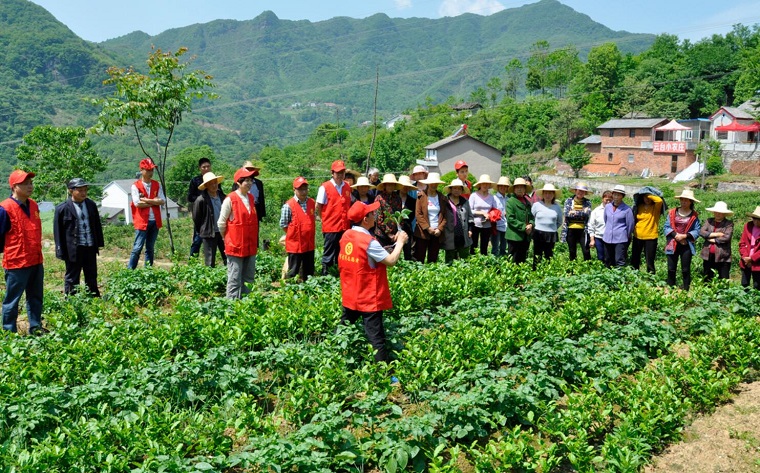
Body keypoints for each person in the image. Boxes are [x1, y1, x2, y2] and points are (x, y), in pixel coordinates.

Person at [338, 200, 408, 369]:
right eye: (371, 214)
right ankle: (383, 373)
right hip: (368, 297)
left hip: (351, 294)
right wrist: (400, 243)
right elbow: (391, 261)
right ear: (365, 219)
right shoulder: (368, 241)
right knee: (376, 338)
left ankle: (336, 356)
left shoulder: (346, 235)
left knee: (344, 327)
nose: (374, 215)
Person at [0, 170, 45, 334]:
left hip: (36, 260)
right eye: (25, 183)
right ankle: (9, 333)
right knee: (12, 301)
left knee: (35, 298)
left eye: (30, 183)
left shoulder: (33, 205)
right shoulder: (5, 208)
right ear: (14, 187)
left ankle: (35, 328)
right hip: (16, 263)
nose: (29, 186)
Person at [53, 178, 105, 296]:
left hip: (90, 246)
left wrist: (99, 243)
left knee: (91, 274)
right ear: (71, 191)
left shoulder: (91, 205)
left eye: (85, 190)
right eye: (80, 190)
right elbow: (58, 231)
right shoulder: (62, 208)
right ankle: (71, 299)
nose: (83, 193)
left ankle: (93, 297)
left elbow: (97, 225)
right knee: (72, 276)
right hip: (73, 249)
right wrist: (60, 250)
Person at [218, 168, 259, 299]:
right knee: (234, 279)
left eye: (251, 180)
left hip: (250, 245)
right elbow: (221, 223)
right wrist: (227, 238)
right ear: (238, 182)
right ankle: (232, 308)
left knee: (249, 278)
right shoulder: (230, 199)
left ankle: (246, 306)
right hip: (235, 246)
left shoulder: (251, 198)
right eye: (246, 180)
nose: (249, 183)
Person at [128, 159, 165, 269]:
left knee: (150, 248)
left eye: (152, 170)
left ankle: (148, 271)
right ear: (142, 170)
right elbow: (137, 203)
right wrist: (154, 201)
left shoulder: (156, 184)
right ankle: (130, 271)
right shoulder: (136, 186)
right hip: (142, 222)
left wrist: (146, 200)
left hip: (155, 221)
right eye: (148, 170)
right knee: (137, 248)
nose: (150, 172)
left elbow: (162, 200)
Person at [317, 160, 351, 275]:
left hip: (344, 226)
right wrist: (323, 218)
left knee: (341, 252)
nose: (340, 175)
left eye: (342, 172)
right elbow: (318, 206)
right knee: (329, 253)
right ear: (332, 173)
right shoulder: (324, 187)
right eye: (338, 172)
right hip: (330, 226)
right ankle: (325, 275)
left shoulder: (347, 186)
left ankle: (338, 274)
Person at [664, 189, 701, 290]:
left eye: (686, 200)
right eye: (682, 199)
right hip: (673, 243)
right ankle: (671, 288)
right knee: (671, 268)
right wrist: (676, 236)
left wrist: (684, 236)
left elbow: (697, 230)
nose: (683, 202)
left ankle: (686, 289)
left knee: (685, 269)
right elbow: (666, 227)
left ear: (690, 202)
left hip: (686, 244)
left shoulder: (694, 215)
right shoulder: (672, 212)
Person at [280, 177, 316, 281]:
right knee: (293, 271)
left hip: (309, 243)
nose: (303, 192)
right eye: (300, 189)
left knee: (309, 271)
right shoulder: (289, 205)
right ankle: (290, 290)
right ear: (294, 190)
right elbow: (283, 224)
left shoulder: (311, 203)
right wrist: (294, 234)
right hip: (295, 244)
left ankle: (307, 290)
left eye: (305, 189)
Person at [192, 171, 227, 268]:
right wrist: (203, 230)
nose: (214, 185)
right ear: (206, 185)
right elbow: (196, 218)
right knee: (210, 260)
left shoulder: (223, 197)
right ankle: (211, 281)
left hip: (223, 232)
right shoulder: (201, 200)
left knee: (227, 257)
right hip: (209, 233)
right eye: (211, 183)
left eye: (215, 182)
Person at [414, 172, 448, 263]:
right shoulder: (421, 196)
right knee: (420, 257)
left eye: (436, 183)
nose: (434, 185)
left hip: (436, 233)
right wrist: (428, 228)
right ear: (428, 183)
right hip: (423, 232)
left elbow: (445, 216)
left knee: (433, 259)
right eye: (432, 183)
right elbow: (418, 214)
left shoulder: (442, 198)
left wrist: (440, 229)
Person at [631, 186, 665, 274]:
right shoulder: (639, 206)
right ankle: (634, 276)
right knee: (635, 258)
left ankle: (651, 277)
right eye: (645, 197)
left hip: (651, 237)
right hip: (637, 236)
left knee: (649, 260)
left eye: (648, 197)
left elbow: (659, 200)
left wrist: (648, 194)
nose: (647, 199)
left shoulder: (655, 208)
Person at [699, 201, 734, 282]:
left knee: (723, 278)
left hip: (723, 256)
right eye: (716, 212)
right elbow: (701, 232)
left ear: (724, 213)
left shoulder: (728, 223)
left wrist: (713, 239)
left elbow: (727, 237)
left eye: (720, 212)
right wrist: (717, 234)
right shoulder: (709, 221)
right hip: (708, 255)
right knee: (707, 277)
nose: (718, 214)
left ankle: (723, 294)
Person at [531, 183, 563, 269]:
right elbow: (532, 217)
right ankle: (535, 272)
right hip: (538, 233)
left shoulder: (557, 207)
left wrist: (551, 228)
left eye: (550, 193)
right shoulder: (537, 205)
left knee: (549, 255)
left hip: (551, 234)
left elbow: (559, 221)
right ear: (543, 194)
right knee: (537, 255)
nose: (548, 195)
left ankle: (547, 272)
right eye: (546, 193)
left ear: (553, 195)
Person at [187, 157, 213, 258]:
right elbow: (190, 197)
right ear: (200, 168)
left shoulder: (214, 180)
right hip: (200, 214)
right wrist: (202, 199)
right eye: (204, 167)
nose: (206, 169)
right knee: (198, 238)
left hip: (213, 213)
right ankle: (192, 261)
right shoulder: (195, 180)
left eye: (208, 166)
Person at [602, 184, 634, 268]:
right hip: (607, 238)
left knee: (619, 260)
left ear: (622, 196)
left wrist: (625, 236)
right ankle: (608, 278)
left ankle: (619, 278)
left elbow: (630, 225)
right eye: (615, 194)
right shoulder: (608, 207)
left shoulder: (627, 209)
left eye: (618, 195)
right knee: (608, 259)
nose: (616, 196)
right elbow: (606, 220)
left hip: (620, 238)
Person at [443, 178, 473, 262]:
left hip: (463, 234)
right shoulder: (445, 201)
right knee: (450, 258)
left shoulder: (465, 202)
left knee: (465, 258)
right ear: (451, 189)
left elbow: (470, 217)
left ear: (462, 190)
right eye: (454, 188)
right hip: (449, 234)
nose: (456, 190)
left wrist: (470, 230)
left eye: (459, 188)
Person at [505, 177, 534, 264]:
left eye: (522, 187)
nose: (520, 189)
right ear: (514, 189)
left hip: (525, 236)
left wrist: (531, 225)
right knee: (513, 260)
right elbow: (510, 218)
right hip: (514, 236)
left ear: (525, 189)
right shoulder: (511, 201)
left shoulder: (527, 202)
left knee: (523, 259)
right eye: (517, 187)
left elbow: (531, 217)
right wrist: (525, 227)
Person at [561, 182, 592, 261]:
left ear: (585, 193)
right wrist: (581, 212)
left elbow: (586, 213)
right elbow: (567, 214)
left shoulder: (588, 202)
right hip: (570, 229)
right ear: (575, 191)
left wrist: (574, 212)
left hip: (583, 230)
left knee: (586, 251)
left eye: (583, 191)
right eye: (579, 190)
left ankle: (587, 269)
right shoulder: (568, 201)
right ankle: (572, 270)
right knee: (572, 251)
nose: (580, 192)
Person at [468, 174, 497, 255]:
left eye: (487, 184)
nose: (485, 185)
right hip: (475, 224)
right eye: (483, 183)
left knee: (484, 247)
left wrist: (490, 216)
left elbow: (495, 210)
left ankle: (483, 264)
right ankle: (473, 264)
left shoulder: (492, 197)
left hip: (487, 224)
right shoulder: (474, 195)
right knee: (473, 246)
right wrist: (482, 213)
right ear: (480, 184)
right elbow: (469, 210)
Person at [372, 174, 403, 248]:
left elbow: (400, 216)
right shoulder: (379, 198)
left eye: (392, 184)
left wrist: (399, 231)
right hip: (381, 235)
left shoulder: (397, 198)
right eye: (388, 184)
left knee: (393, 257)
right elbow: (378, 219)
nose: (390, 186)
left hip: (395, 235)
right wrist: (388, 233)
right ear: (385, 186)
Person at [738, 206, 760, 290]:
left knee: (757, 285)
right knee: (744, 284)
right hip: (745, 261)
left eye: (759, 219)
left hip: (758, 262)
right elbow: (742, 243)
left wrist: (752, 259)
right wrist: (745, 257)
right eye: (755, 219)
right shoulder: (748, 226)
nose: (756, 221)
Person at [588, 190, 613, 262]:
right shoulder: (596, 211)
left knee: (609, 257)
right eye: (606, 200)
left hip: (610, 238)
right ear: (602, 199)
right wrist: (592, 240)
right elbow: (591, 225)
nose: (608, 202)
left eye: (610, 200)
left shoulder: (614, 210)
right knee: (601, 257)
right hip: (599, 237)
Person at [397, 175, 417, 260]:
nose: (405, 188)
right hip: (393, 230)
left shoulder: (412, 201)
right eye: (403, 186)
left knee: (408, 252)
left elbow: (412, 216)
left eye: (407, 186)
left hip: (407, 229)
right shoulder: (393, 198)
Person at [491, 176, 509, 257]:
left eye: (505, 186)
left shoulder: (508, 199)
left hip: (506, 226)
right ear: (498, 187)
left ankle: (502, 264)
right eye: (501, 186)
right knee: (495, 248)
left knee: (503, 247)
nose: (503, 188)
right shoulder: (494, 198)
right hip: (497, 226)